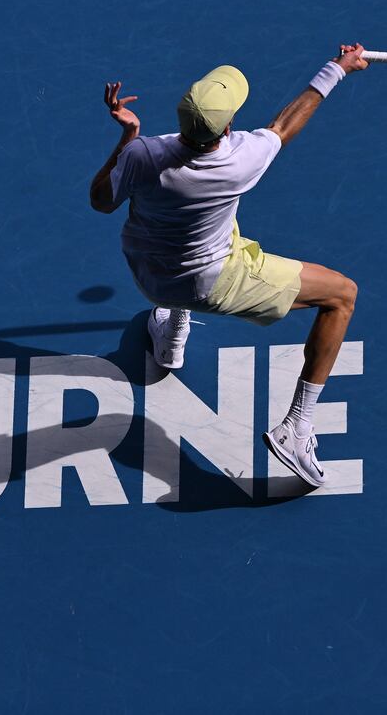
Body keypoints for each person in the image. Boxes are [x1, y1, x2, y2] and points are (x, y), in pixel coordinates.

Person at [89, 46, 369, 487]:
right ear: (229, 124)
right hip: (207, 283)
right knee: (342, 294)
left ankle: (170, 338)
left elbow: (101, 203)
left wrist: (127, 139)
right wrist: (337, 68)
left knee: (215, 228)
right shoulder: (242, 160)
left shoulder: (143, 155)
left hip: (147, 273)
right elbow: (285, 124)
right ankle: (297, 426)